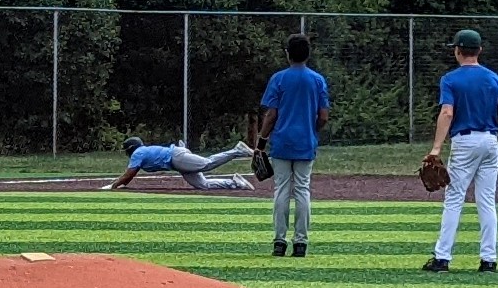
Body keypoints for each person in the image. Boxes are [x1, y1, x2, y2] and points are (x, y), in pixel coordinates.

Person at [422, 29, 498, 273]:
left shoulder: (451, 79)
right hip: (490, 141)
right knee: (486, 200)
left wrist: (436, 148)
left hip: (465, 141)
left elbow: (447, 112)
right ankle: (489, 260)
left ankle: (442, 258)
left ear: (457, 51)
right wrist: (492, 132)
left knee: (454, 198)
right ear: (479, 50)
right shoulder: (493, 78)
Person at [256, 33, 330, 257]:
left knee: (281, 191)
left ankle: (279, 242)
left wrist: (261, 141)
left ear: (288, 53)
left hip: (281, 141)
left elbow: (271, 114)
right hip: (306, 142)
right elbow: (324, 116)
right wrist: (311, 129)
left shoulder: (278, 78)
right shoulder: (317, 80)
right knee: (302, 190)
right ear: (308, 54)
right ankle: (301, 243)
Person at [104, 137, 256, 191]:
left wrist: (113, 185)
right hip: (177, 161)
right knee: (203, 185)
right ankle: (235, 182)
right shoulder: (142, 152)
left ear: (130, 149)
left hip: (176, 157)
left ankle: (237, 150)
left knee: (207, 163)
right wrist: (118, 184)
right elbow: (129, 176)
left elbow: (129, 174)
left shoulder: (138, 153)